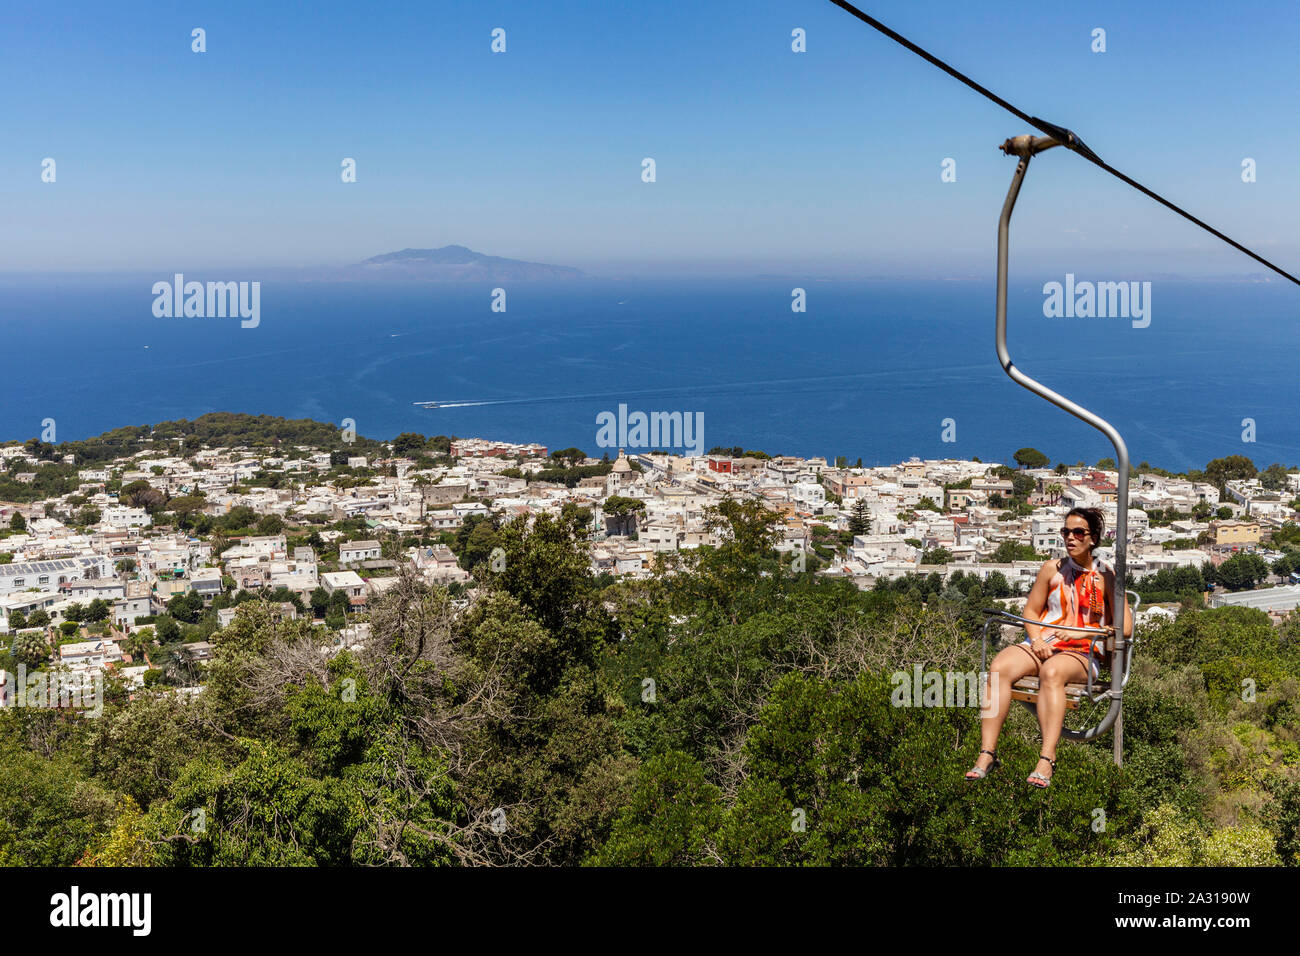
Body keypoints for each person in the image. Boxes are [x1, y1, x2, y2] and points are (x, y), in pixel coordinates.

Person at [964, 506, 1133, 787]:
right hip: (1045, 642)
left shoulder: (1107, 577)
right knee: (998, 668)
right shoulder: (1051, 570)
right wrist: (1038, 638)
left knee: (1052, 673)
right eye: (1066, 531)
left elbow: (1125, 626)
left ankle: (1047, 758)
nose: (1071, 538)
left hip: (1081, 652)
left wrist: (1101, 631)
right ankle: (987, 752)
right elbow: (1031, 611)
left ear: (1093, 539)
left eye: (1079, 533)